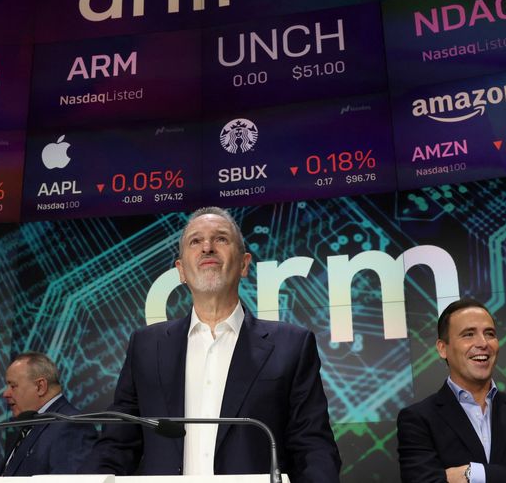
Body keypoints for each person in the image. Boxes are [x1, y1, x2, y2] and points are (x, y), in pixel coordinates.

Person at [84, 206, 340, 481]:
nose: (207, 247)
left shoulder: (292, 345)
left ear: (243, 264)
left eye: (220, 239)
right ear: (181, 270)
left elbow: (313, 447)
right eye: (195, 241)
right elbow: (117, 444)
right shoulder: (145, 346)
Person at [397, 298, 506, 483]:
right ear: (443, 348)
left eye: (490, 333)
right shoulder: (418, 419)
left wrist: (472, 474)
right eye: (468, 334)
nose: (483, 343)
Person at [0, 352, 97, 476]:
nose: (5, 394)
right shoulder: (32, 423)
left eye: (13, 386)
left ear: (40, 387)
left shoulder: (71, 426)